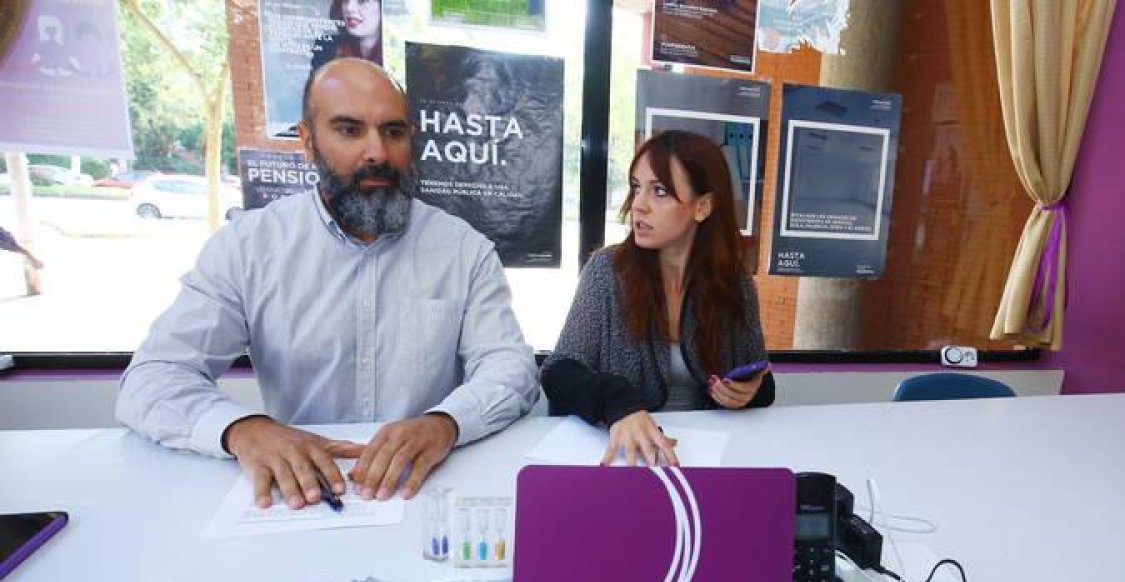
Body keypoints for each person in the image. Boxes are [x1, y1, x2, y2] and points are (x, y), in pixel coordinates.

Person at [116, 58, 539, 510]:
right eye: (349, 129)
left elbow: (510, 369)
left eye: (393, 132)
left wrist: (445, 422)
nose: (376, 152)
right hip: (299, 495)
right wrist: (242, 430)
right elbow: (152, 379)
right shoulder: (249, 246)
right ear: (308, 141)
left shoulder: (463, 249)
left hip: (425, 489)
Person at [541, 130, 774, 467]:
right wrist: (617, 402)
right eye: (637, 187)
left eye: (660, 191)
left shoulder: (733, 283)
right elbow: (558, 373)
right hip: (628, 456)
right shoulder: (607, 270)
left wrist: (751, 391)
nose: (638, 204)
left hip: (708, 455)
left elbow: (758, 376)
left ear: (703, 206)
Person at [310, 0, 383, 72]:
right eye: (345, 0)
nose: (349, 8)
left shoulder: (392, 54)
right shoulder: (327, 46)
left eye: (362, 1)